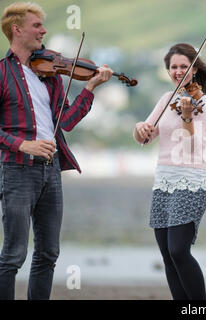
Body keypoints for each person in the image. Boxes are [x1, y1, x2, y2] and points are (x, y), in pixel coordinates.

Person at [0, 2, 113, 300]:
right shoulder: (1, 73)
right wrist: (22, 143)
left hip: (50, 170)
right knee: (13, 255)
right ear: (17, 29)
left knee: (49, 253)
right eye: (37, 25)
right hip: (16, 169)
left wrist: (90, 88)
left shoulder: (49, 73)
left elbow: (67, 122)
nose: (44, 31)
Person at [133, 43, 206, 300]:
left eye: (184, 66)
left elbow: (193, 147)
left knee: (178, 251)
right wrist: (140, 127)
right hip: (163, 181)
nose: (178, 71)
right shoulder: (166, 99)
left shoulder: (201, 103)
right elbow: (144, 138)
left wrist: (186, 117)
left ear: (194, 70)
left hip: (191, 181)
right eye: (173, 67)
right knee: (167, 256)